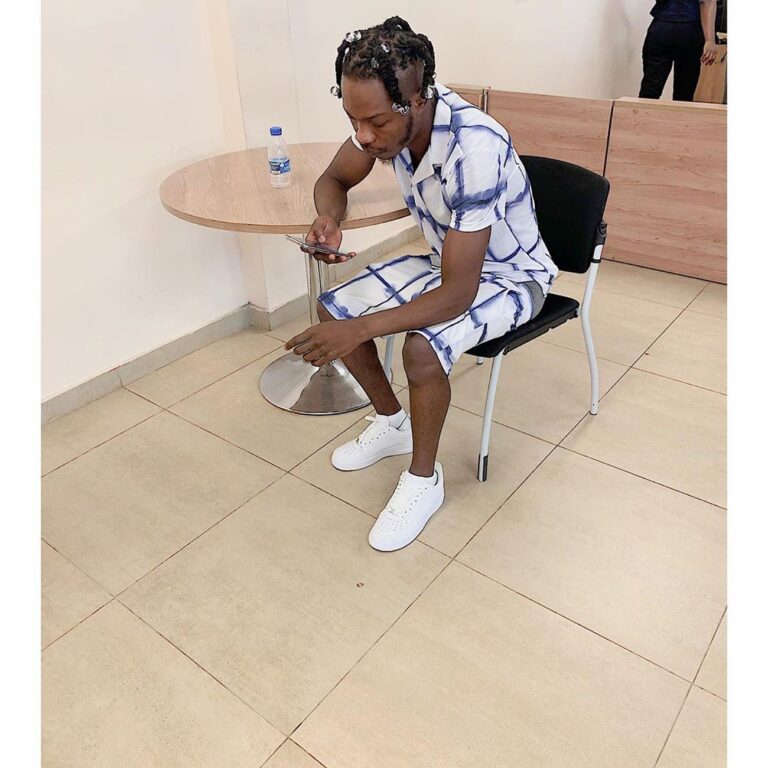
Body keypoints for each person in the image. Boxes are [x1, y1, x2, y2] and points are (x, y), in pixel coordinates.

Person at [284, 16, 556, 552]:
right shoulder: (384, 118)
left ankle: (424, 480)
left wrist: (363, 329)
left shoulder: (475, 149)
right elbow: (334, 178)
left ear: (418, 99)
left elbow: (457, 294)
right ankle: (393, 422)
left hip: (511, 277)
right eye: (353, 119)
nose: (364, 135)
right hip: (448, 263)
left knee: (421, 351)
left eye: (375, 122)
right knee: (334, 309)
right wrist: (328, 218)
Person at [639, 0, 718, 101]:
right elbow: (707, 2)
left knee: (650, 92)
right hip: (689, 31)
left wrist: (710, 40)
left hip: (663, 28)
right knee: (684, 95)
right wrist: (710, 40)